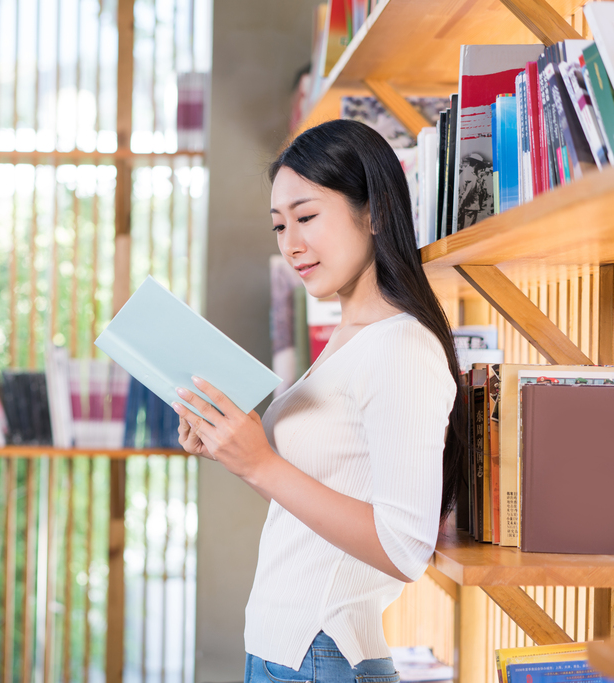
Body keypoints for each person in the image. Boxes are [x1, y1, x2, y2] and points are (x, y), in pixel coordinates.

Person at [172, 119, 463, 683]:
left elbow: (404, 547)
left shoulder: (400, 345)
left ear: (375, 211)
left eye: (307, 217)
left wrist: (260, 463)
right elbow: (318, 490)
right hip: (289, 652)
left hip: (322, 656)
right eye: (279, 226)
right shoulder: (346, 341)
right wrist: (233, 449)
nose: (291, 244)